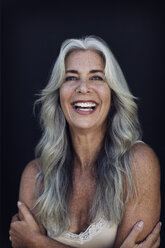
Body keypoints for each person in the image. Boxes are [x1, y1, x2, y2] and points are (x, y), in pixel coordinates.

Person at [9, 36, 161, 248]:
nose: (83, 88)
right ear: (58, 94)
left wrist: (38, 242)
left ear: (113, 94)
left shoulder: (138, 163)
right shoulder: (35, 176)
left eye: (97, 78)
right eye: (71, 78)